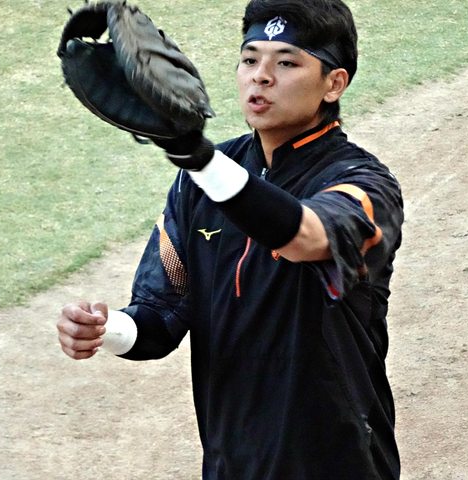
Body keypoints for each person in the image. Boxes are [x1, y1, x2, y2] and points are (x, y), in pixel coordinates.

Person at [57, 0, 404, 478]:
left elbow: (307, 235)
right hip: (230, 464)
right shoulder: (199, 180)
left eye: (287, 63)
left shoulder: (364, 184)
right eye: (249, 59)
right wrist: (105, 329)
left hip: (336, 463)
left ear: (334, 84)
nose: (261, 76)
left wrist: (197, 158)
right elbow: (159, 318)